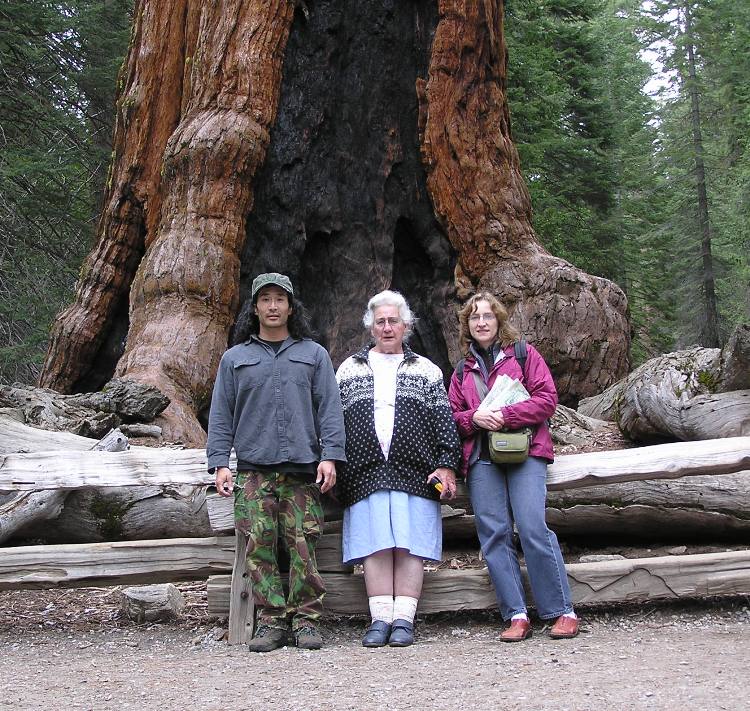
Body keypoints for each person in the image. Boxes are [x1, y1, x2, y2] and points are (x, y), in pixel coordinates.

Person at [207, 272, 346, 652]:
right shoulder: (235, 359)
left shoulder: (313, 355)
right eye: (265, 299)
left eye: (279, 299)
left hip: (303, 470)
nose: (272, 306)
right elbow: (221, 414)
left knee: (303, 547)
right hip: (253, 471)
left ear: (290, 306)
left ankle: (306, 621)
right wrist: (220, 462)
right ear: (254, 309)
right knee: (260, 545)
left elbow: (329, 410)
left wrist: (331, 456)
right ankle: (270, 621)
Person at [448, 292, 579, 641]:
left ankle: (562, 611)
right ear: (467, 325)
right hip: (481, 460)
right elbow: (452, 417)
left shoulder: (522, 354)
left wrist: (504, 416)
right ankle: (516, 614)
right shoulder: (462, 370)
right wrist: (475, 417)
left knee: (532, 526)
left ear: (499, 320)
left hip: (526, 453)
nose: (482, 322)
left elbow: (547, 400)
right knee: (493, 534)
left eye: (488, 316)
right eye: (474, 317)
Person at [335, 290, 461, 648]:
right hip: (365, 470)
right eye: (380, 322)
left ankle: (404, 620)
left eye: (393, 321)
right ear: (370, 327)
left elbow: (444, 423)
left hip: (416, 472)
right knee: (375, 545)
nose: (387, 327)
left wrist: (446, 465)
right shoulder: (349, 368)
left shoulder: (426, 369)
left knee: (409, 544)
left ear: (406, 326)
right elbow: (333, 423)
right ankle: (380, 621)